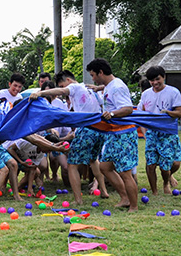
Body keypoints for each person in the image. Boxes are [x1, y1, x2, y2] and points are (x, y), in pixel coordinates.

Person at [29, 70, 109, 205]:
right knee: (93, 160)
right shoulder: (88, 88)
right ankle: (104, 191)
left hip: (86, 129)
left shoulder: (74, 87)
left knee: (72, 165)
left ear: (68, 80)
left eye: (61, 85)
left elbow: (61, 92)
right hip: (99, 129)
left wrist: (40, 93)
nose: (62, 89)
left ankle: (78, 200)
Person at [86, 59, 139, 211]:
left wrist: (113, 113)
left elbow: (128, 108)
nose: (93, 78)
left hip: (124, 134)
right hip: (113, 133)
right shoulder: (110, 85)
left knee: (125, 172)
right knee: (105, 166)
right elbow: (106, 87)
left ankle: (133, 206)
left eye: (93, 75)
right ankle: (125, 198)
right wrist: (97, 88)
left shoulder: (117, 87)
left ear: (101, 72)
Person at [138, 66, 181, 195]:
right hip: (152, 133)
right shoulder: (146, 94)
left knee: (169, 164)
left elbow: (179, 112)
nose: (155, 83)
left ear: (164, 77)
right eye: (152, 80)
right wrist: (145, 133)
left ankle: (166, 182)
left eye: (157, 79)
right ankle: (155, 191)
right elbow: (141, 115)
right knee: (150, 164)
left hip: (168, 133)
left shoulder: (174, 92)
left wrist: (168, 113)